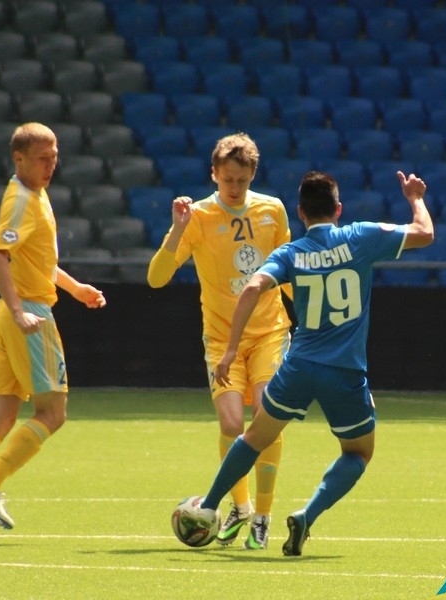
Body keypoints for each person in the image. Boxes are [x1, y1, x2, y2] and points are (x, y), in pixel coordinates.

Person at [194, 170, 433, 556]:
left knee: (254, 439)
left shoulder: (291, 253)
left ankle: (207, 507)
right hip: (346, 371)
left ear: (300, 213)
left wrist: (231, 349)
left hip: (299, 367)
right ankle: (307, 514)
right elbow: (424, 233)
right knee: (358, 453)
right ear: (338, 209)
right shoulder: (361, 236)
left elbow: (253, 286)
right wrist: (415, 198)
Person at [0, 122, 107, 545]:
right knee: (53, 413)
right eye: (42, 158)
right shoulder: (21, 200)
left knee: (1, 417)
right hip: (28, 314)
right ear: (18, 159)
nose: (50, 165)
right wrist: (21, 312)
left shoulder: (35, 193)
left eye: (54, 157)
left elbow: (35, 260)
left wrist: (75, 288)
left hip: (6, 314)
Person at [147, 132, 292, 549]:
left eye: (242, 180)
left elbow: (288, 273)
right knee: (231, 423)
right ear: (214, 174)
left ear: (253, 175)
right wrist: (177, 230)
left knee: (266, 416)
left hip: (269, 332)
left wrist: (311, 317)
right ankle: (240, 506)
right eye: (227, 179)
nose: (234, 187)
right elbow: (156, 278)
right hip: (220, 338)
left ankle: (263, 516)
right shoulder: (197, 216)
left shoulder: (272, 210)